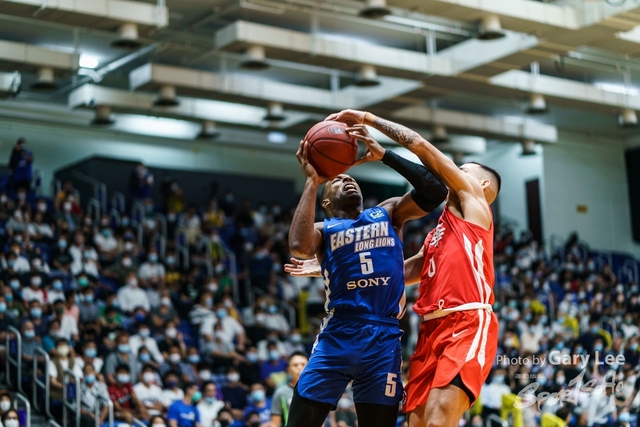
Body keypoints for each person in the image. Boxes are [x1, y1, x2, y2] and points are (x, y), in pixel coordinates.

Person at [327, 109, 501, 427]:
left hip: (466, 321)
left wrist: (368, 119)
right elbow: (404, 272)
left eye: (461, 170)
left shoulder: (475, 204)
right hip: (430, 330)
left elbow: (420, 145)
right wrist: (332, 268)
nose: (454, 174)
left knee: (437, 422)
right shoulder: (440, 230)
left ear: (483, 184)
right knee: (416, 424)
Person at [285, 121, 447, 427]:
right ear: (326, 203)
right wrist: (312, 181)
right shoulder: (324, 229)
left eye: (350, 178)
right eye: (338, 180)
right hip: (340, 332)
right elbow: (299, 246)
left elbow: (435, 190)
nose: (348, 180)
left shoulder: (387, 213)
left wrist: (386, 155)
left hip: (384, 336)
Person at [271, 352, 308, 427]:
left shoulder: (315, 391)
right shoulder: (280, 392)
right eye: (295, 365)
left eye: (303, 364)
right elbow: (275, 424)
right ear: (288, 370)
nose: (300, 368)